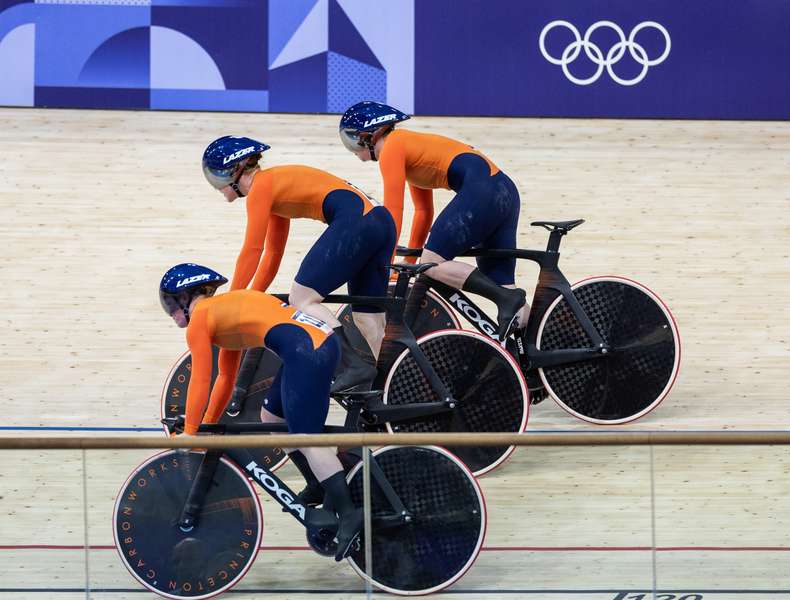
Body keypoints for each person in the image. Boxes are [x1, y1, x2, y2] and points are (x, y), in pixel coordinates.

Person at [159, 262, 361, 561]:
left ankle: (349, 514)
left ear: (186, 297)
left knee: (304, 438)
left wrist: (190, 433)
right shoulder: (222, 311)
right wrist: (209, 426)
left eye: (171, 303)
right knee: (272, 419)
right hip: (310, 344)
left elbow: (201, 379)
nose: (172, 311)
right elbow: (225, 378)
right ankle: (318, 482)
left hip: (306, 348)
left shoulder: (202, 317)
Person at [201, 136, 396, 391]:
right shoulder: (273, 186)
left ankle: (352, 366)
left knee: (302, 300)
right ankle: (386, 390)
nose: (216, 185)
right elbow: (272, 255)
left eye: (217, 176)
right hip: (380, 221)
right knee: (368, 320)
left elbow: (252, 250)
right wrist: (250, 296)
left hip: (358, 223)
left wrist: (233, 298)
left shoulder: (261, 187)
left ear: (235, 170)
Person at [339, 101, 528, 340]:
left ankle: (507, 299)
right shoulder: (407, 147)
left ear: (368, 135)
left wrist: (384, 262)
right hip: (503, 190)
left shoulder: (392, 148)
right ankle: (531, 353)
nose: (355, 153)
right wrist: (409, 261)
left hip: (484, 192)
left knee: (432, 263)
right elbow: (423, 212)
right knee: (502, 283)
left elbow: (392, 213)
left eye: (352, 142)